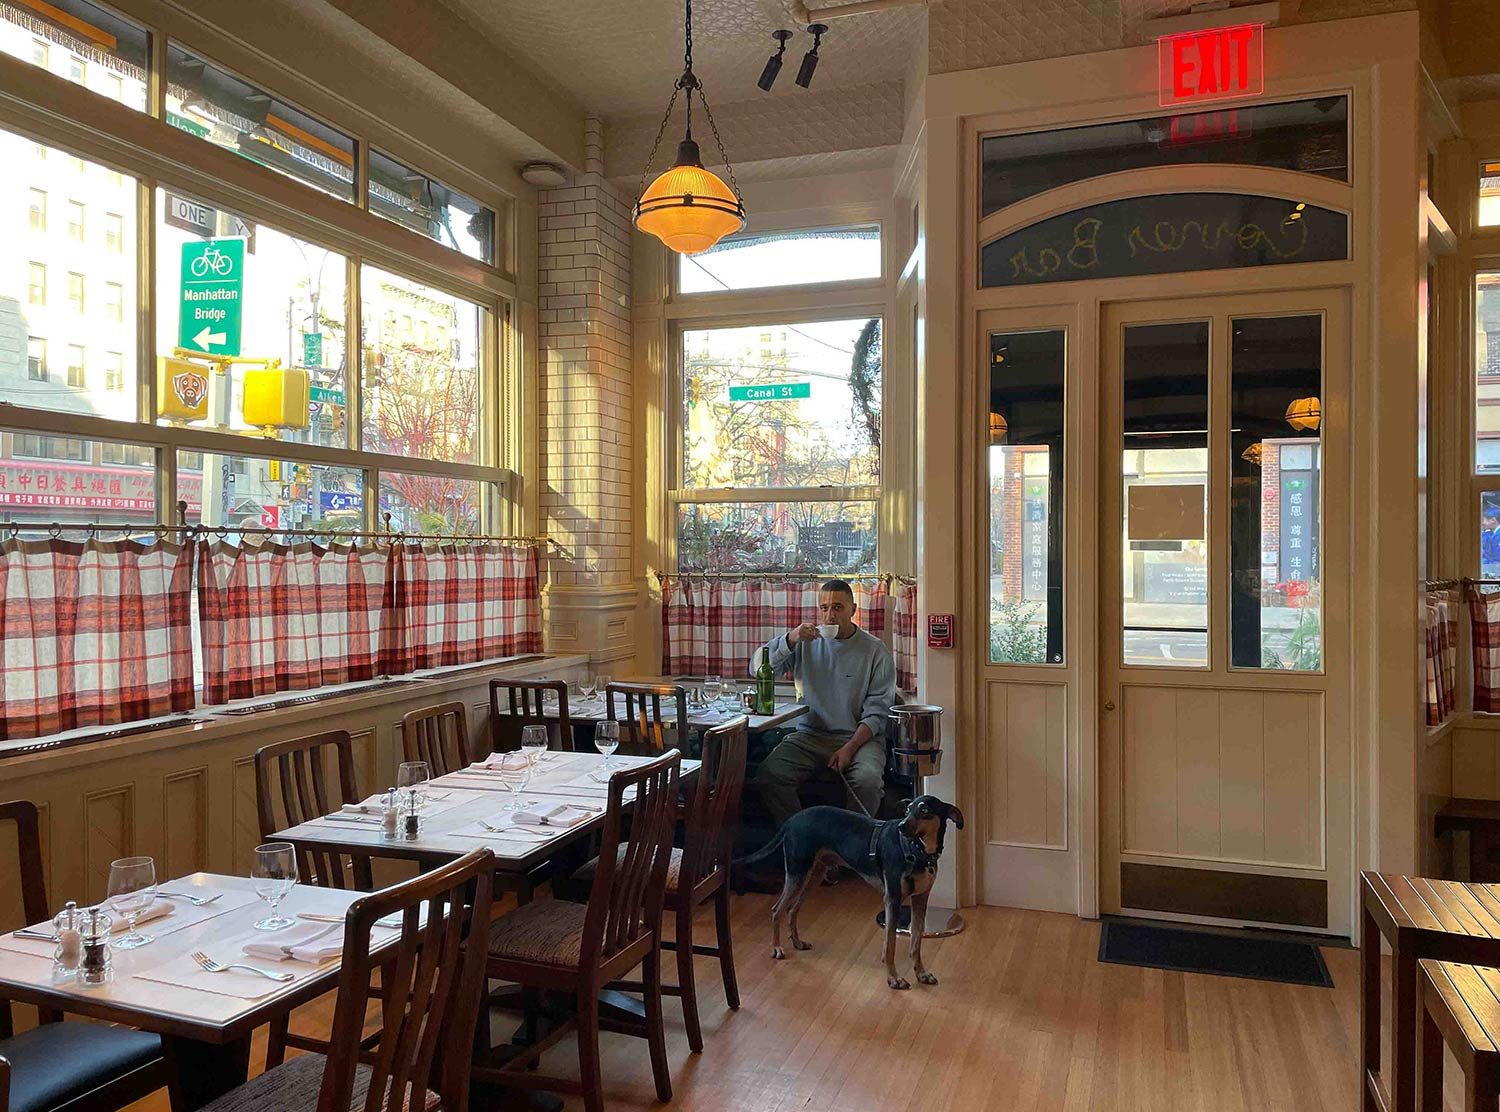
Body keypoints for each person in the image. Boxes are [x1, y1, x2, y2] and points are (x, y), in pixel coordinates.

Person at [749, 579, 897, 830]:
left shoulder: (875, 650)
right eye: (824, 608)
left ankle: (850, 844)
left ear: (853, 610)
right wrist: (790, 639)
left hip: (859, 738)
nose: (830, 615)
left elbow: (878, 713)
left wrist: (850, 748)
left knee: (867, 782)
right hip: (809, 735)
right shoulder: (805, 642)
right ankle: (801, 836)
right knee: (770, 775)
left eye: (838, 607)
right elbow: (757, 669)